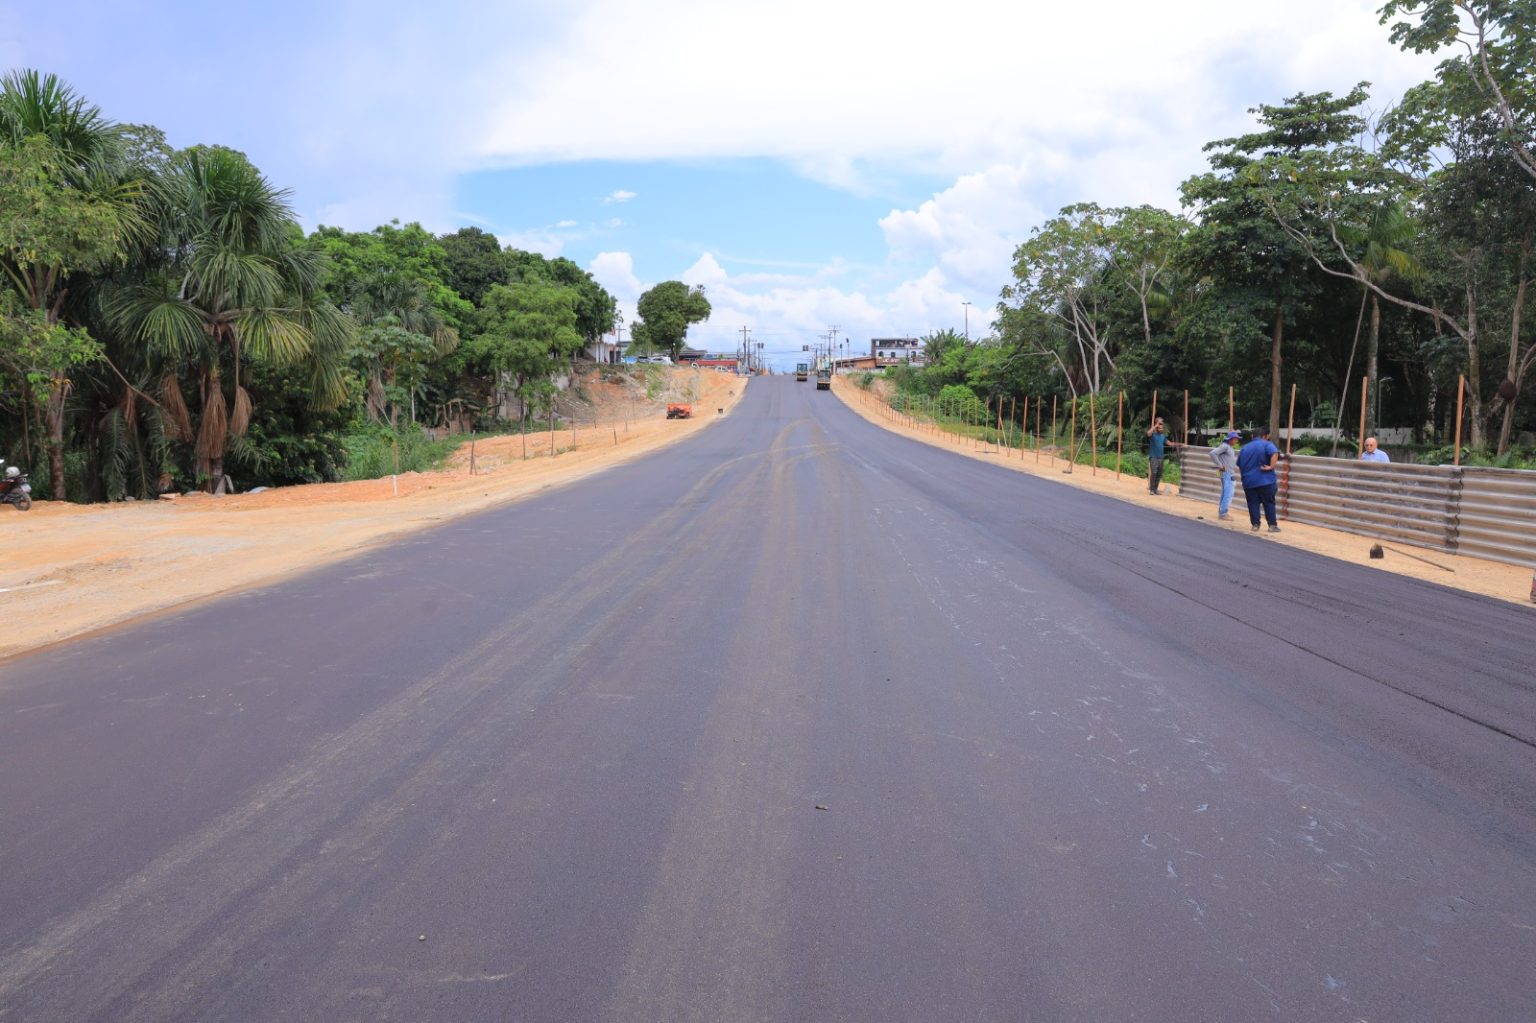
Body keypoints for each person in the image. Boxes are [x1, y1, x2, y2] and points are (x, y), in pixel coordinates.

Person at [1236, 424, 1282, 533]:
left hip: (1249, 482)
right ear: (1264, 436)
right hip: (1265, 481)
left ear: (1252, 436)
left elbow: (1239, 464)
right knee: (1269, 503)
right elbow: (1274, 453)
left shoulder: (1244, 448)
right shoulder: (1267, 444)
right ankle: (1272, 525)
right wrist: (1271, 466)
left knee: (1253, 503)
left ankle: (1255, 525)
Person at [1208, 430, 1241, 519]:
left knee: (1226, 492)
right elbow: (1212, 453)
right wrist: (1220, 465)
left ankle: (1222, 511)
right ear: (1231, 439)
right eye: (1236, 439)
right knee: (1228, 492)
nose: (1237, 441)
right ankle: (1223, 513)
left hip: (1227, 473)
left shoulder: (1228, 447)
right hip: (1227, 473)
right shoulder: (1225, 446)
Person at [1146, 417, 1168, 494]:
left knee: (1159, 474)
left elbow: (1169, 443)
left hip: (1160, 458)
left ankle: (1155, 489)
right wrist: (1156, 425)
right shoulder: (1153, 435)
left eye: (1161, 423)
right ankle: (1152, 490)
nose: (1160, 425)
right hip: (1153, 457)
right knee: (1154, 473)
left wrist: (1180, 444)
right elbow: (1148, 433)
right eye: (1159, 423)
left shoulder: (1163, 436)